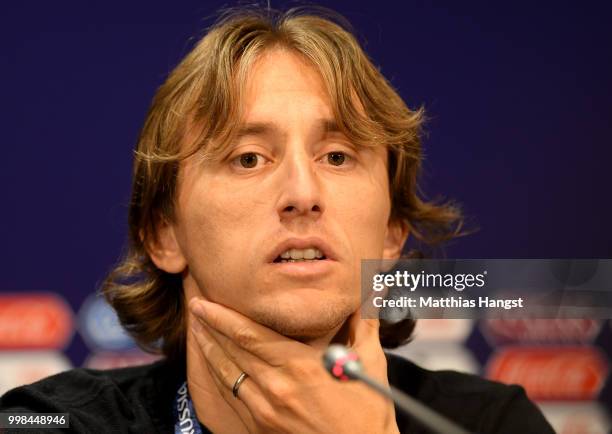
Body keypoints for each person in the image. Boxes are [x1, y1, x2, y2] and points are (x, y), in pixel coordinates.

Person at [0, 6, 554, 433]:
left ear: (391, 233)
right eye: (248, 159)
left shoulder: (491, 424)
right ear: (164, 234)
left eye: (337, 156)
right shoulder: (46, 421)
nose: (303, 193)